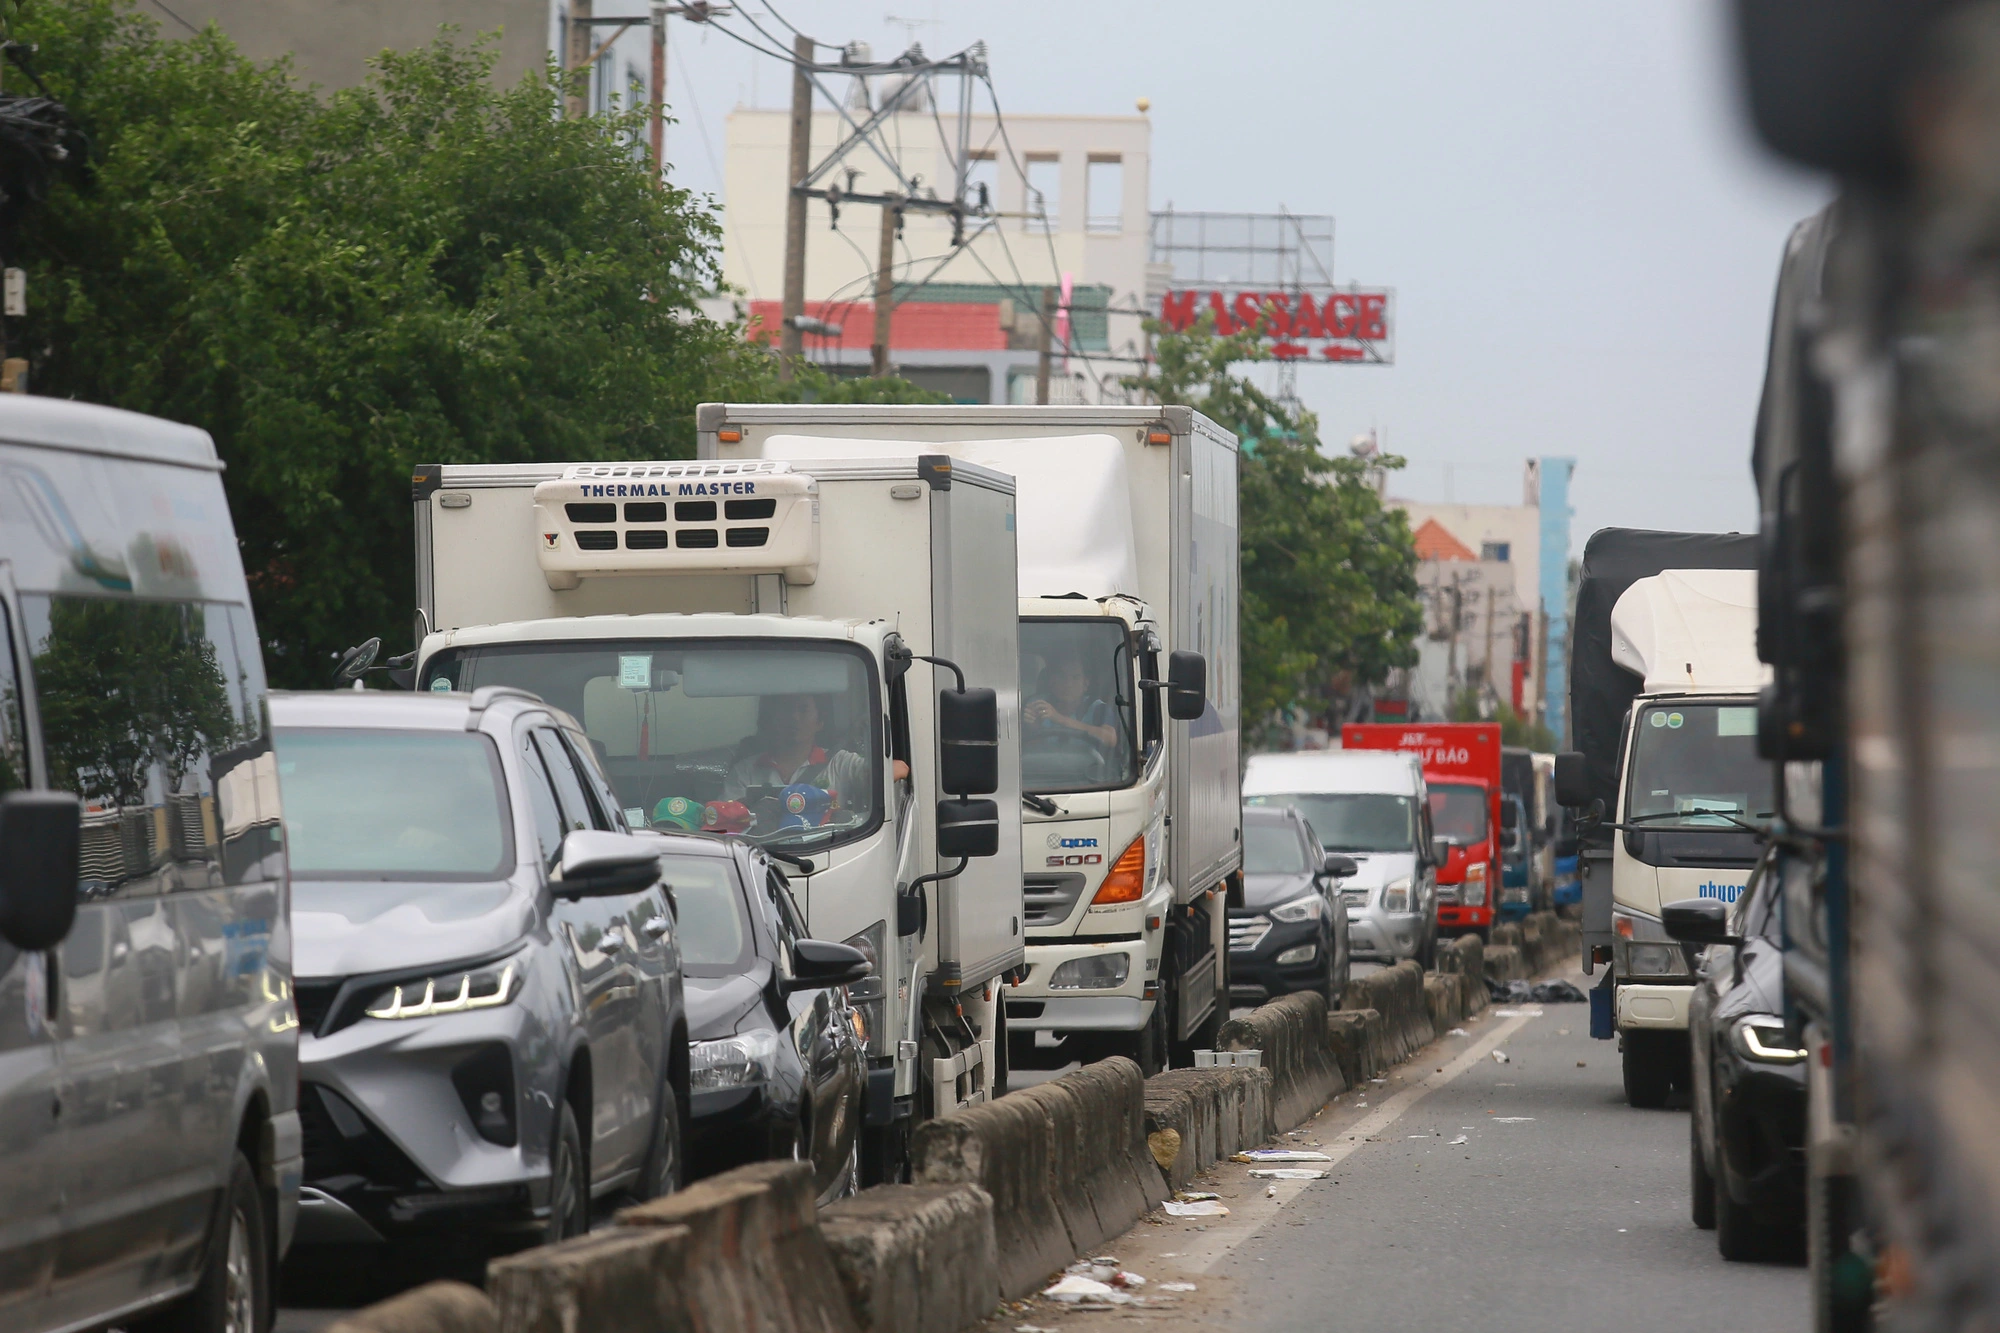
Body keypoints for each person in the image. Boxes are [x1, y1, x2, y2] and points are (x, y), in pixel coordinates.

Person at [725, 694, 871, 813]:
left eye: (803, 710)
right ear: (773, 719)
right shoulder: (744, 771)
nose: (794, 717)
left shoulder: (840, 762)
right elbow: (723, 819)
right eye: (786, 709)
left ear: (820, 722)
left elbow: (889, 771)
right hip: (759, 848)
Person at [1025, 652, 1121, 751]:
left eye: (1075, 677)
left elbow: (1110, 739)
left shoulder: (1097, 708)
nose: (1068, 684)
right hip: (1043, 765)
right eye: (1061, 676)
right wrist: (1034, 728)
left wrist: (1060, 719)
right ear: (1051, 681)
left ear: (1086, 684)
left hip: (1089, 766)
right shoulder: (1036, 704)